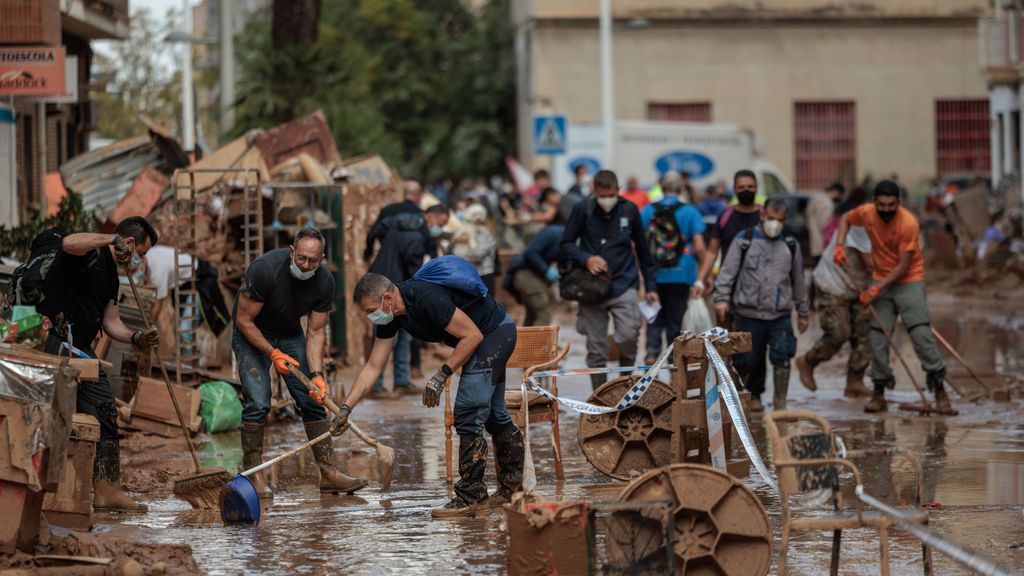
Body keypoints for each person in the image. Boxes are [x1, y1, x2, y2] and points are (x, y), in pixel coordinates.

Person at [341, 268, 520, 518]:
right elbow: (373, 367)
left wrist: (440, 375)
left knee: (468, 411)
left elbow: (472, 335)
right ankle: (513, 490)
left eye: (372, 311)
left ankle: (472, 497)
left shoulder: (424, 297)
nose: (372, 317)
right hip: (484, 337)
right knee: (494, 415)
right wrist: (346, 408)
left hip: (494, 333)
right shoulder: (391, 317)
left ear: (388, 298)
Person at [233, 228, 366, 498]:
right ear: (292, 251)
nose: (306, 265)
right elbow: (243, 320)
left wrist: (316, 374)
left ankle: (328, 473)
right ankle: (253, 474)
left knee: (313, 399)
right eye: (302, 258)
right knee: (259, 402)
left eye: (313, 261)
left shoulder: (324, 282)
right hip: (252, 333)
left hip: (290, 333)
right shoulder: (265, 270)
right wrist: (273, 353)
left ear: (322, 259)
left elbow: (315, 332)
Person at [40, 216, 160, 511]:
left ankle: (107, 490)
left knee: (105, 409)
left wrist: (136, 337)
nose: (139, 262)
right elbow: (69, 242)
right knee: (55, 416)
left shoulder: (113, 276)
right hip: (56, 343)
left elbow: (111, 322)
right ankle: (46, 491)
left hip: (81, 349)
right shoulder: (91, 252)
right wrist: (109, 240)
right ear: (129, 243)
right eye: (141, 254)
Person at [834, 180, 951, 413]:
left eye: (891, 205)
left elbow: (903, 266)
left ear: (898, 203)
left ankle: (940, 392)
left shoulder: (908, 223)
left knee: (920, 334)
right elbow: (845, 219)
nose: (886, 209)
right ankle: (879, 394)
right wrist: (839, 244)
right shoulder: (866, 213)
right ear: (874, 203)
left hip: (908, 280)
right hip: (880, 277)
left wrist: (876, 289)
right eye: (882, 205)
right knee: (877, 338)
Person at [561, 169, 659, 390]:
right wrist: (586, 259)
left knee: (628, 336)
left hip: (624, 283)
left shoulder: (630, 211)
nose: (607, 200)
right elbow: (566, 243)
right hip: (591, 288)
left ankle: (626, 388)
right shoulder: (582, 209)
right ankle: (600, 396)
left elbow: (643, 252)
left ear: (618, 191)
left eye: (611, 195)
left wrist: (651, 286)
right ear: (594, 191)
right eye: (602, 196)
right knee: (596, 348)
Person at [712, 198, 809, 412]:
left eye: (780, 220)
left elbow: (799, 281)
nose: (775, 223)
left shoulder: (791, 245)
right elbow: (727, 272)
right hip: (748, 313)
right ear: (763, 215)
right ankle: (753, 396)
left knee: (782, 356)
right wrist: (721, 299)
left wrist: (803, 312)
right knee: (749, 360)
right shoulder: (744, 240)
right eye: (771, 218)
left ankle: (780, 404)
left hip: (779, 315)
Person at [364, 182, 449, 399]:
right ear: (429, 218)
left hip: (381, 281)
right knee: (389, 336)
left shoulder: (393, 223)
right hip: (391, 288)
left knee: (400, 335)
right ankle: (379, 385)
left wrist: (367, 253)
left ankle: (399, 381)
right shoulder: (416, 237)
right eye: (440, 223)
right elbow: (415, 270)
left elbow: (373, 232)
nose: (439, 229)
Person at [795, 227, 874, 398]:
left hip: (860, 287)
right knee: (839, 333)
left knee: (865, 335)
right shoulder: (861, 226)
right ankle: (809, 360)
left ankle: (855, 382)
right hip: (833, 283)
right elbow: (872, 264)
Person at [640, 174, 707, 364]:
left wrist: (642, 274)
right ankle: (675, 366)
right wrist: (704, 275)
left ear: (661, 188)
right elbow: (700, 247)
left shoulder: (647, 211)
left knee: (654, 318)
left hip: (654, 273)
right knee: (675, 321)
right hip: (683, 273)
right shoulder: (690, 212)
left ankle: (651, 356)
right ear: (681, 189)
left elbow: (638, 245)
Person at [698, 170, 764, 325]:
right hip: (728, 287)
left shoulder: (764, 215)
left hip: (758, 289)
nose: (746, 190)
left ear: (756, 187)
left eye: (750, 186)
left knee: (754, 341)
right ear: (734, 189)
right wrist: (700, 280)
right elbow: (712, 251)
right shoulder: (726, 216)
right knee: (725, 338)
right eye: (741, 187)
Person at [504, 224, 564, 326]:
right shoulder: (552, 233)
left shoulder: (566, 240)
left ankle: (524, 341)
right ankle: (537, 341)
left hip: (536, 276)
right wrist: (545, 270)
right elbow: (530, 251)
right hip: (526, 274)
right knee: (544, 312)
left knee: (533, 314)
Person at [451, 204, 497, 293]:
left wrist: (464, 257)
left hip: (483, 274)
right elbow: (455, 245)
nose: (478, 218)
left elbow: (478, 254)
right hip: (468, 274)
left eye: (480, 215)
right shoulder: (464, 227)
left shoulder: (485, 232)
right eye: (474, 215)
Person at [805, 182, 840, 263]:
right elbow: (825, 224)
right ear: (836, 192)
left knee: (816, 263)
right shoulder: (827, 204)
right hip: (823, 241)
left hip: (814, 238)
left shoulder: (815, 199)